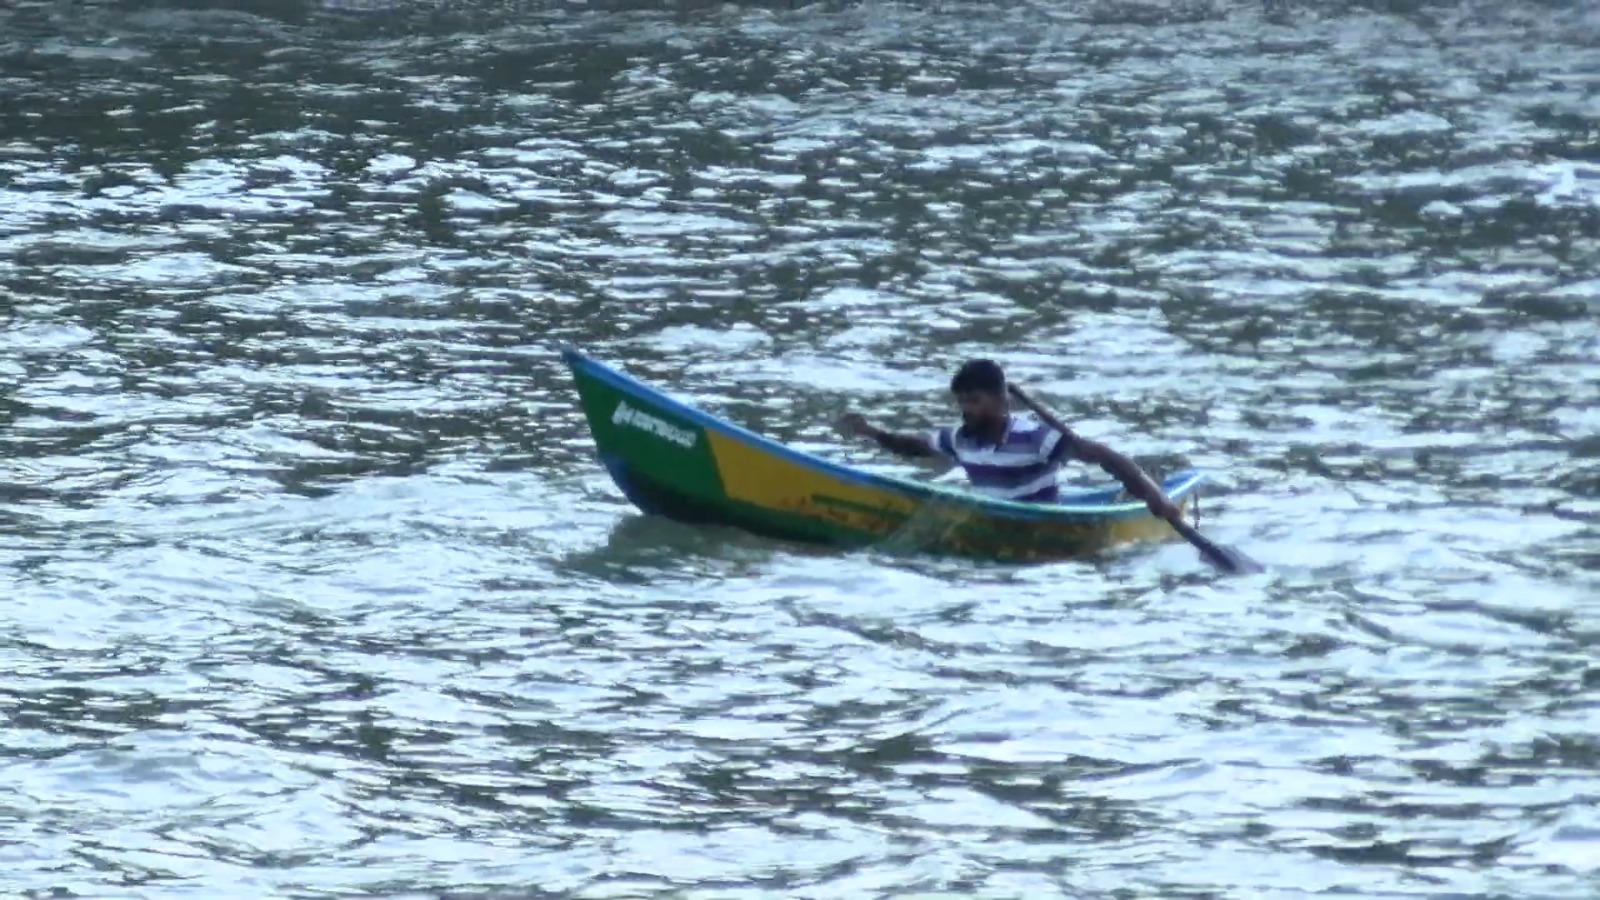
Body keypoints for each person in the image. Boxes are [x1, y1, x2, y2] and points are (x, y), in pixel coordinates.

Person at [836, 358, 1182, 520]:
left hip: (1045, 522)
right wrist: (872, 432)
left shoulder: (1035, 438)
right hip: (996, 517)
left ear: (1001, 402)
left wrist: (1155, 497)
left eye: (975, 401)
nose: (966, 409)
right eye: (962, 401)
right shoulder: (962, 439)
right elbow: (914, 446)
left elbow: (1107, 458)